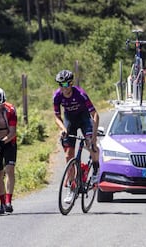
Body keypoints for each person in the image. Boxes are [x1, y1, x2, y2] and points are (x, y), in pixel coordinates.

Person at [53, 69, 100, 204]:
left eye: (66, 85)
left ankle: (96, 170)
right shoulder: (57, 96)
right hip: (70, 120)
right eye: (60, 85)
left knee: (91, 144)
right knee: (69, 155)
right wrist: (62, 129)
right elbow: (57, 116)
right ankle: (72, 187)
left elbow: (95, 115)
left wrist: (94, 136)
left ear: (71, 83)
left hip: (84, 118)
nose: (63, 88)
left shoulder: (81, 94)